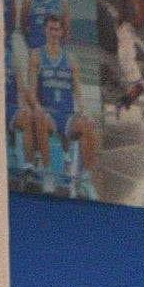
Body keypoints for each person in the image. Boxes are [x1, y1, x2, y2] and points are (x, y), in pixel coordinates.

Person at [28, 12, 100, 198]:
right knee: (39, 118)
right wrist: (37, 108)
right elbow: (31, 92)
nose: (54, 33)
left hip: (67, 115)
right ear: (45, 30)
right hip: (48, 114)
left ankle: (85, 179)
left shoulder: (70, 58)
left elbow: (78, 91)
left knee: (89, 125)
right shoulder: (37, 56)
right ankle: (48, 174)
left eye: (57, 29)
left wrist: (84, 112)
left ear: (61, 32)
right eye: (51, 29)